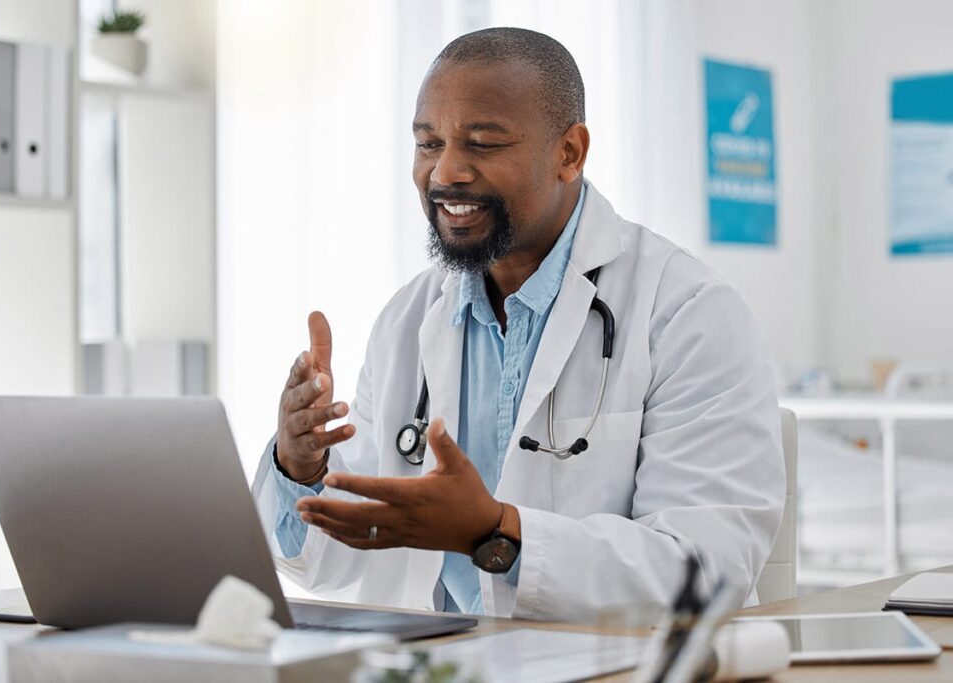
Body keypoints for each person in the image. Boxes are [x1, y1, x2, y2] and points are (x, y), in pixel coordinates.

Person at [252, 27, 784, 622]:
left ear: (569, 153)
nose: (446, 172)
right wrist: (302, 466)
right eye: (428, 144)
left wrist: (493, 533)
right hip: (442, 662)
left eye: (481, 143)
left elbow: (703, 571)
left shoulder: (690, 313)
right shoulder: (408, 319)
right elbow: (337, 563)